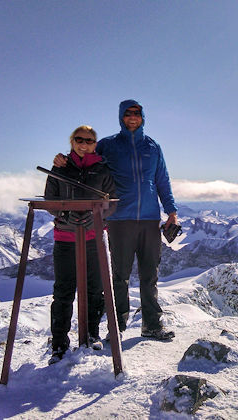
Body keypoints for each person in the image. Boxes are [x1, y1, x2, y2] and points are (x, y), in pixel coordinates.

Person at [54, 99, 177, 341]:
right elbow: (84, 162)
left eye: (137, 113)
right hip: (119, 219)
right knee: (119, 275)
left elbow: (162, 179)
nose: (133, 117)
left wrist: (171, 211)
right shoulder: (108, 145)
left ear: (143, 117)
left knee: (149, 274)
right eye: (128, 114)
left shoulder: (153, 147)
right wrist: (62, 161)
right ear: (121, 117)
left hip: (151, 218)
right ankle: (117, 327)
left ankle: (151, 325)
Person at [44, 125, 116, 364]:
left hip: (94, 237)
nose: (84, 144)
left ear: (95, 144)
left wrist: (97, 217)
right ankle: (59, 344)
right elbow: (50, 201)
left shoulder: (103, 170)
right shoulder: (60, 167)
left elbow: (113, 203)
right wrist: (67, 214)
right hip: (66, 237)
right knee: (63, 291)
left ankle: (92, 335)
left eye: (89, 140)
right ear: (72, 141)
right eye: (79, 139)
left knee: (95, 289)